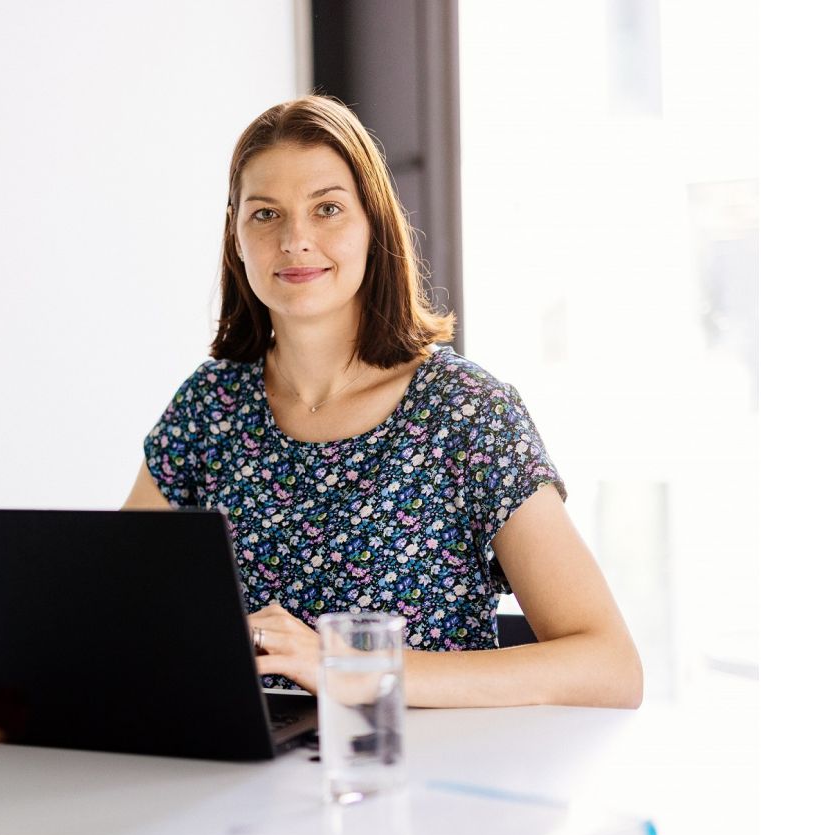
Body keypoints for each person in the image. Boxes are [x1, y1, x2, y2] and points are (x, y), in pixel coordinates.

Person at [124, 95, 642, 709]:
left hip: (419, 776)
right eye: (265, 215)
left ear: (375, 225)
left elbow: (611, 666)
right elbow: (115, 603)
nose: (295, 240)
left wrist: (346, 665)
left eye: (328, 209)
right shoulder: (207, 406)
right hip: (235, 775)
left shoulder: (467, 412)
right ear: (235, 236)